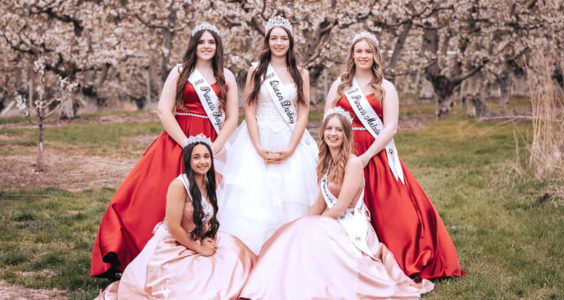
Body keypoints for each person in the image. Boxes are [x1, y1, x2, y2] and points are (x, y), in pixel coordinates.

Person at [91, 23, 239, 277]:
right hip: (179, 140)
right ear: (194, 45)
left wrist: (213, 148)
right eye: (202, 41)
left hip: (213, 145)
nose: (206, 46)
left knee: (211, 201)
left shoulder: (227, 76)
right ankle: (133, 254)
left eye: (211, 42)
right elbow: (163, 110)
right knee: (149, 196)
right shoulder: (180, 71)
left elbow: (233, 117)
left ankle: (200, 256)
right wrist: (188, 145)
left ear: (217, 47)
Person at [240, 108, 434, 300]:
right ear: (323, 132)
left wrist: (312, 226)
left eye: (339, 130)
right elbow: (319, 204)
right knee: (292, 236)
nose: (333, 133)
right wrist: (300, 226)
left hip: (351, 225)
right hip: (333, 222)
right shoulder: (327, 163)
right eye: (329, 129)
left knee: (310, 235)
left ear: (346, 135)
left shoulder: (353, 163)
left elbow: (341, 207)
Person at [324, 31, 465, 279]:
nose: (363, 55)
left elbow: (390, 127)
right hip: (344, 149)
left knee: (392, 211)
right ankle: (347, 258)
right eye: (359, 51)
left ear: (375, 55)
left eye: (368, 51)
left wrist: (366, 155)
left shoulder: (385, 87)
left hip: (374, 153)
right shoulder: (340, 85)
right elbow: (328, 118)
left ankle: (398, 258)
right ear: (352, 55)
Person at [95, 135, 255, 299]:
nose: (203, 161)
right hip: (174, 242)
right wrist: (198, 248)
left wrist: (206, 237)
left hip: (198, 236)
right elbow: (173, 227)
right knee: (191, 287)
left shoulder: (209, 181)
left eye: (206, 156)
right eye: (196, 157)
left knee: (235, 254)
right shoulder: (179, 185)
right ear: (188, 160)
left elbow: (209, 215)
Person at [216, 15, 318, 254]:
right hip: (256, 140)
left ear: (290, 42)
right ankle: (252, 252)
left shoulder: (300, 72)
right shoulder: (256, 70)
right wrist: (258, 147)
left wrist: (292, 148)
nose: (279, 43)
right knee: (254, 199)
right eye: (274, 38)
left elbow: (303, 112)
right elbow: (249, 110)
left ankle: (289, 251)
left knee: (291, 196)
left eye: (284, 38)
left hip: (291, 141)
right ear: (267, 41)